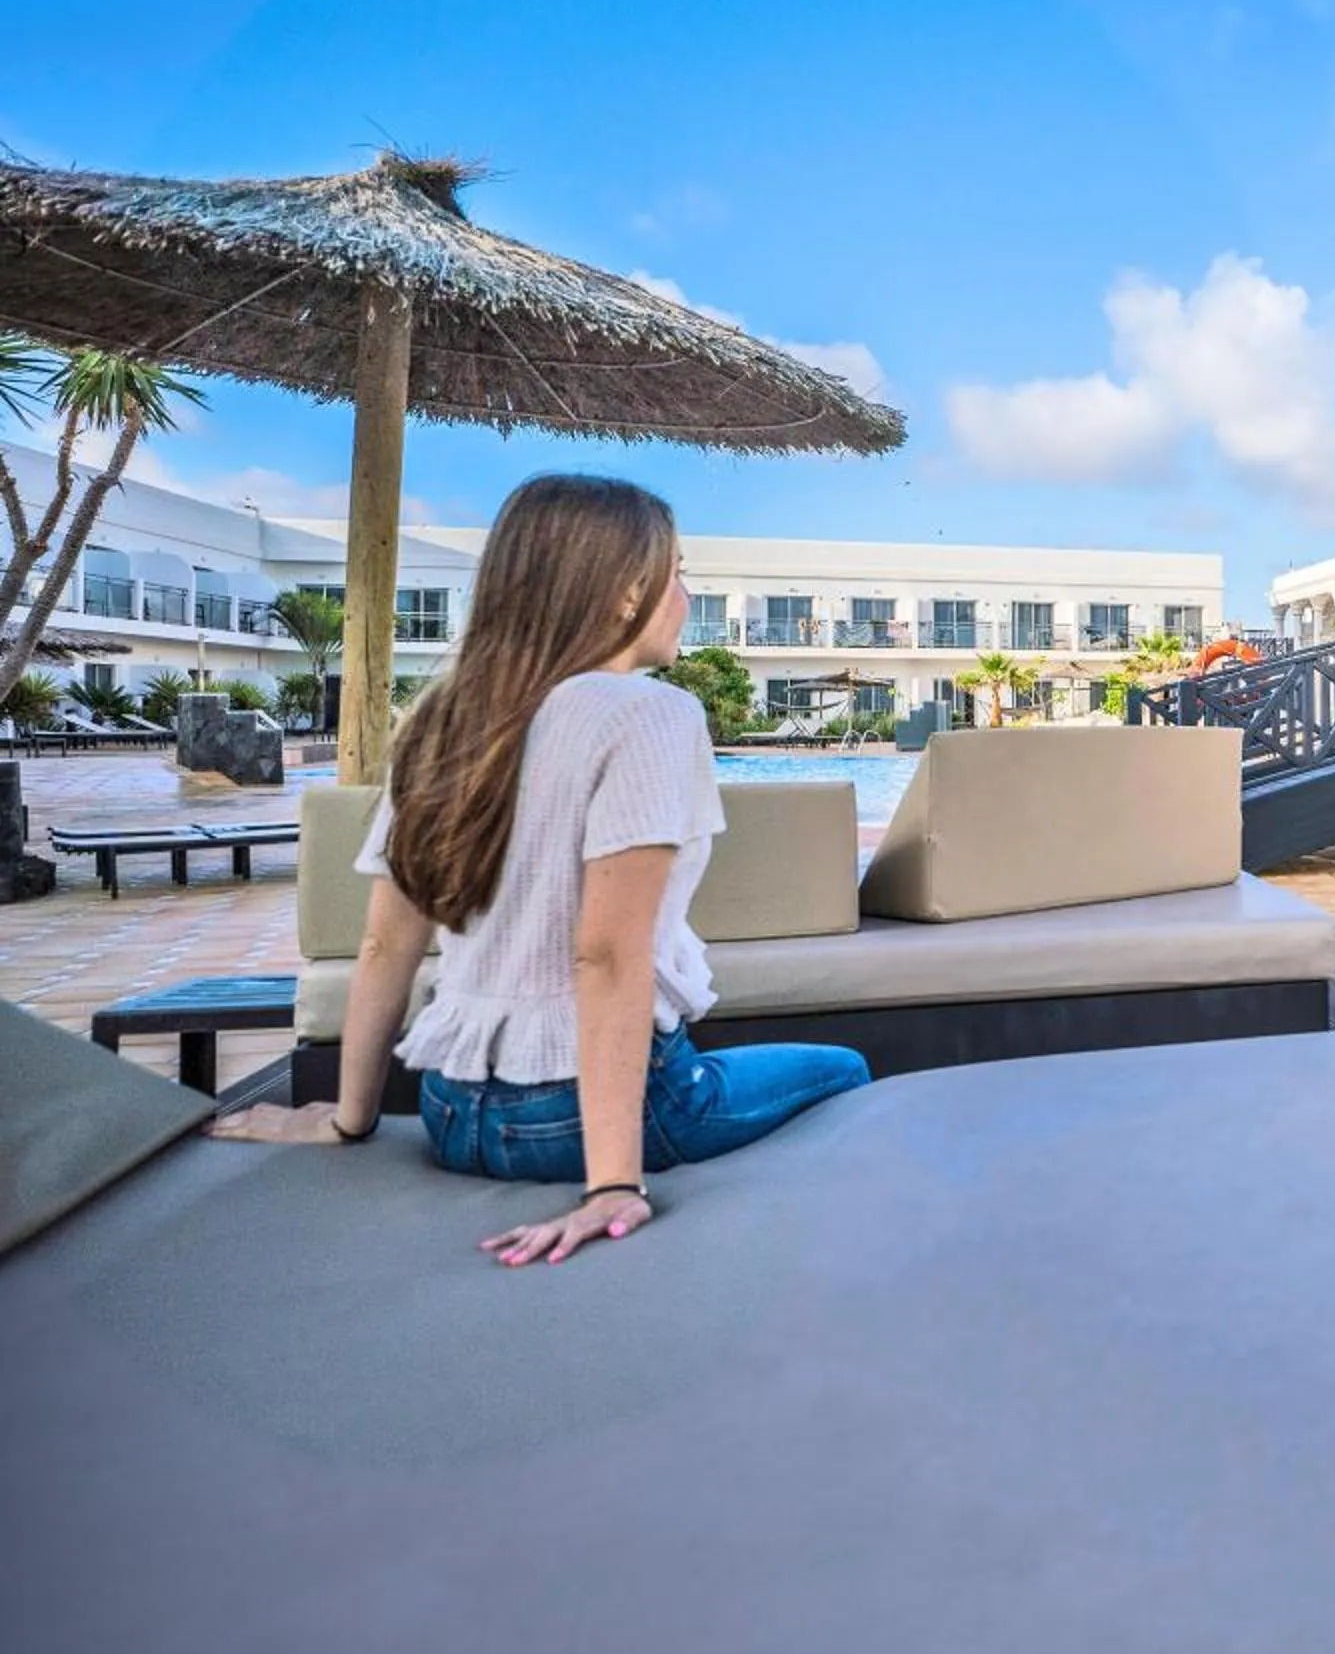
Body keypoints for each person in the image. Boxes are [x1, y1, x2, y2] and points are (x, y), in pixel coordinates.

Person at [213, 475, 869, 1265]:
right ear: (629, 592)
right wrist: (612, 1185)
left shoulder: (445, 720)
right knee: (844, 1067)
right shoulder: (650, 712)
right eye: (678, 571)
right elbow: (607, 954)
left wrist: (347, 1117)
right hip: (578, 1123)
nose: (687, 593)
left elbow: (387, 945)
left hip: (450, 1115)